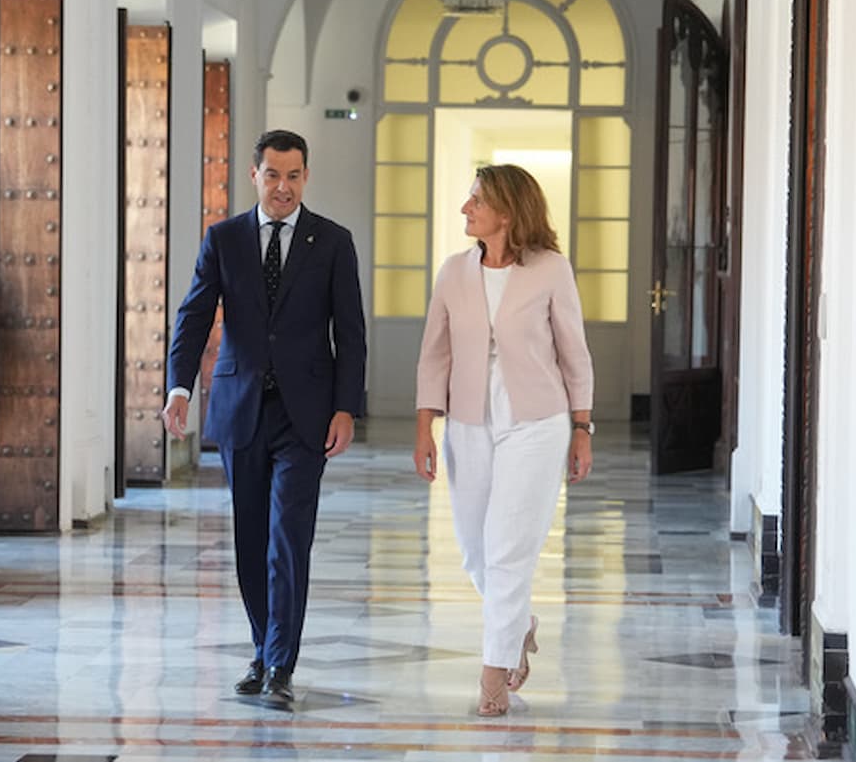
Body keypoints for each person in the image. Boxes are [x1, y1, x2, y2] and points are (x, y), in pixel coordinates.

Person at [163, 129, 367, 706]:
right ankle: (262, 649)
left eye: (294, 175)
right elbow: (194, 317)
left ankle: (280, 665)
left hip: (307, 417)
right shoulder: (223, 239)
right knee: (251, 541)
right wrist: (181, 387)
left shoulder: (332, 242)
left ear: (307, 176)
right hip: (241, 411)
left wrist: (347, 407)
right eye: (273, 175)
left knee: (287, 540)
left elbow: (350, 334)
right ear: (254, 175)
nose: (283, 187)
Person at [413, 164, 594, 717]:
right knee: (474, 549)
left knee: (509, 550)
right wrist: (424, 424)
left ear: (508, 213)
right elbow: (434, 353)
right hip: (467, 421)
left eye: (475, 201)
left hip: (537, 422)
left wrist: (582, 429)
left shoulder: (551, 270)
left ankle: (493, 678)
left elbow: (574, 352)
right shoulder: (453, 272)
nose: (465, 209)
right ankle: (518, 623)